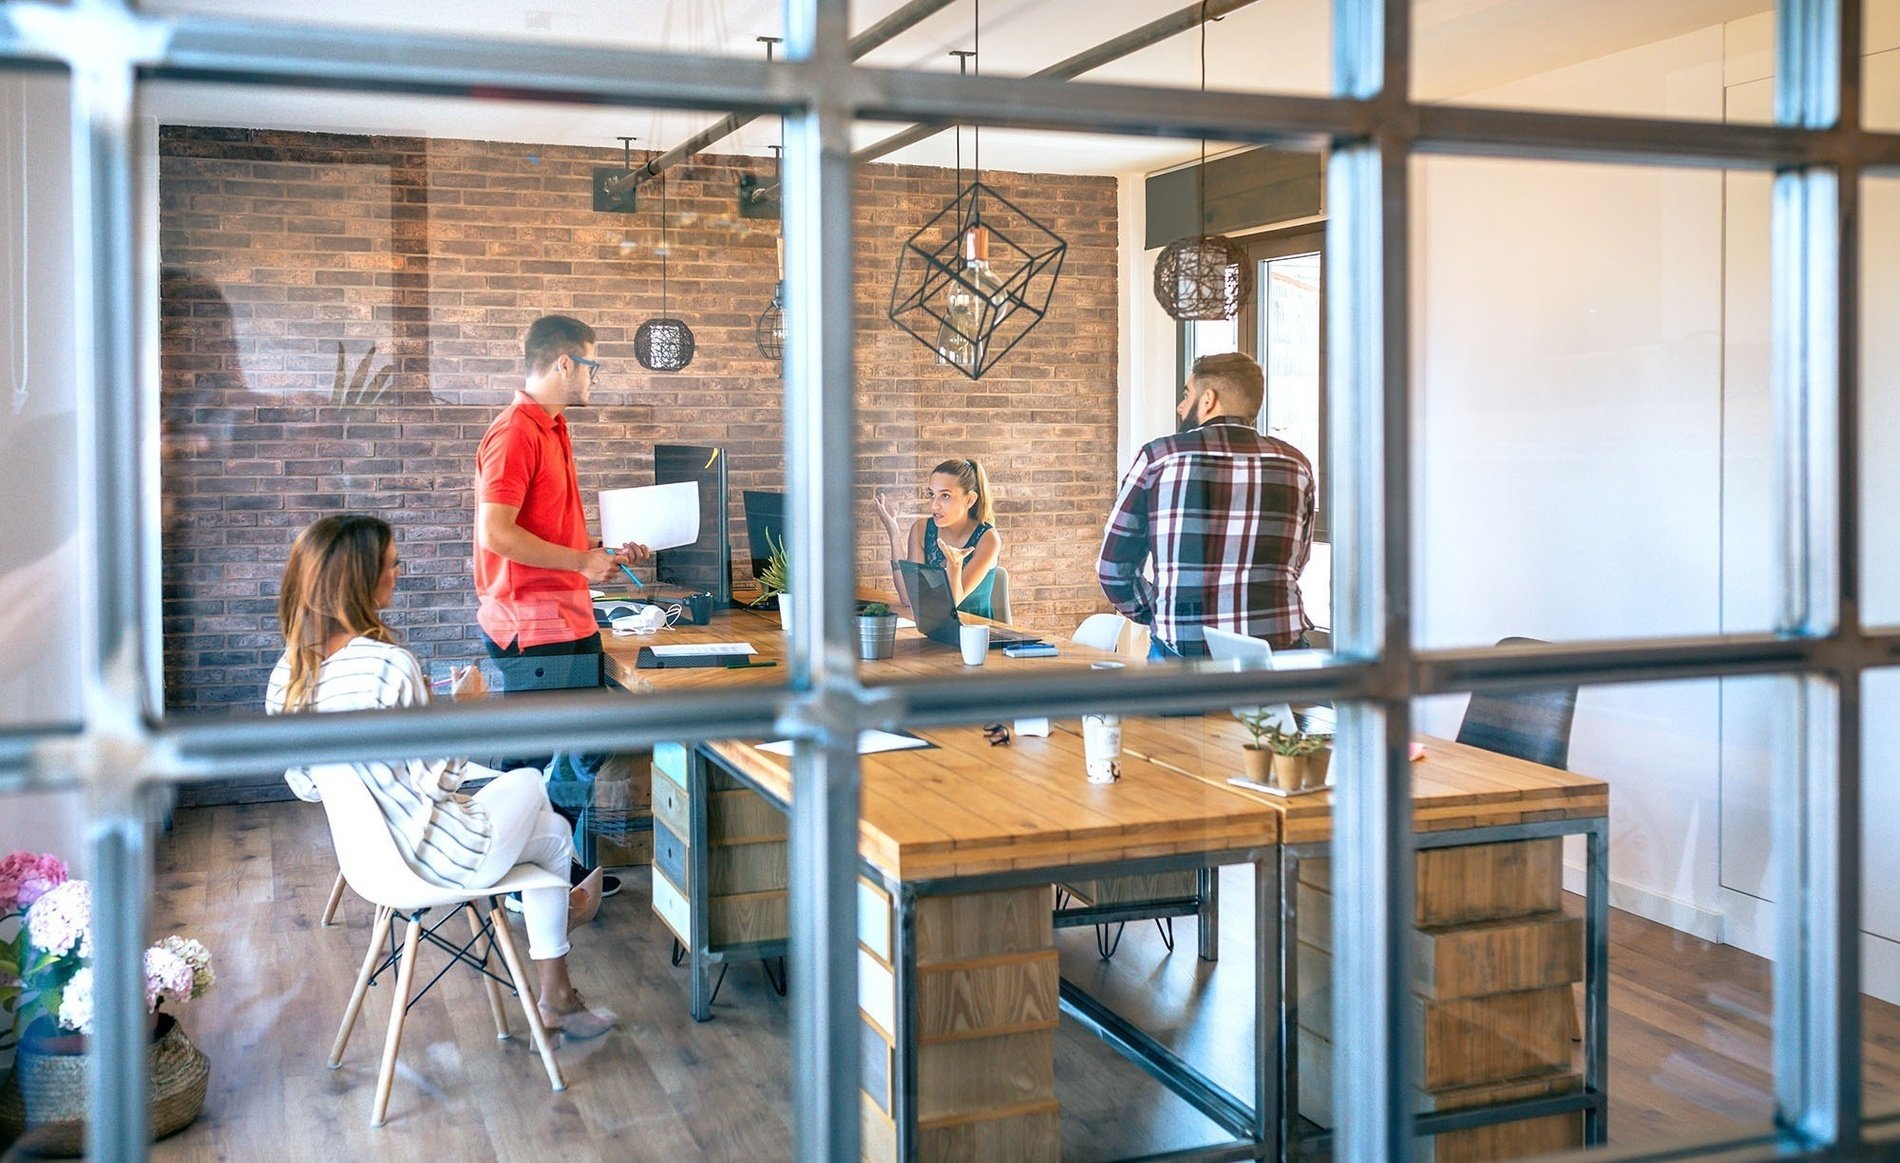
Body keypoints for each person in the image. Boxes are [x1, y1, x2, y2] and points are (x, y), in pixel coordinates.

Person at [267, 514, 616, 1039]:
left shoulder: (287, 675)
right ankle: (560, 960)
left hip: (371, 861)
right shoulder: (388, 665)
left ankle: (560, 979)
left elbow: (306, 784)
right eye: (390, 564)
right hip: (442, 855)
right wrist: (464, 711)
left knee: (552, 832)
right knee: (532, 787)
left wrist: (378, 770)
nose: (398, 572)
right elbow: (442, 781)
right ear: (356, 581)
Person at [475, 314, 649, 897]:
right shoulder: (516, 431)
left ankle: (548, 867)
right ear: (565, 364)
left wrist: (598, 550)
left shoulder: (553, 426)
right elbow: (496, 533)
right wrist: (579, 564)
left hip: (566, 617)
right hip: (534, 625)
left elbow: (541, 528)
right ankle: (515, 877)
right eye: (593, 365)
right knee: (527, 764)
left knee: (584, 745)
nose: (596, 377)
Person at [1097, 352, 1316, 658]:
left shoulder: (1159, 458)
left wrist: (1164, 612)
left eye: (1187, 394)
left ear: (1208, 399)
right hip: (1279, 652)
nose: (1180, 406)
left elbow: (1113, 570)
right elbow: (1296, 563)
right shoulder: (1296, 464)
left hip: (1185, 653)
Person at [874, 458, 1003, 619]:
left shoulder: (988, 539)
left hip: (976, 636)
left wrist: (954, 565)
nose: (934, 505)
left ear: (970, 499)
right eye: (932, 494)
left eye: (945, 496)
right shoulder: (921, 529)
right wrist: (894, 535)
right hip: (936, 631)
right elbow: (908, 598)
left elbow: (952, 604)